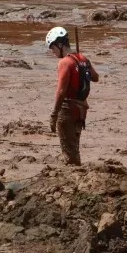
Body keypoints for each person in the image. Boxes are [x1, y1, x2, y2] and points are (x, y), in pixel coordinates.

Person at [46, 26, 99, 166]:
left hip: (68, 110)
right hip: (81, 111)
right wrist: (83, 66)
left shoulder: (64, 62)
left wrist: (54, 115)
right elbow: (95, 77)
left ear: (60, 44)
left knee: (69, 152)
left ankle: (74, 174)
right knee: (74, 146)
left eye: (53, 48)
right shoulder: (82, 58)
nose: (53, 52)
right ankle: (76, 169)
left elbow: (61, 91)